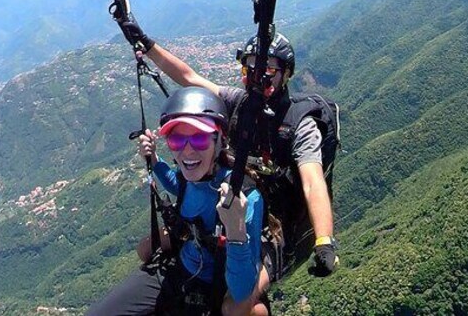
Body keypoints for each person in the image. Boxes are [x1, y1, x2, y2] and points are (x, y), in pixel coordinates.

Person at [117, 18, 339, 280]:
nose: (257, 78)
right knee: (146, 249)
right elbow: (189, 78)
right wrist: (146, 43)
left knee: (237, 304)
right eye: (250, 70)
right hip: (227, 201)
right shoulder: (239, 103)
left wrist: (324, 240)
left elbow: (313, 182)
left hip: (272, 224)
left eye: (267, 70)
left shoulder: (300, 125)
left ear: (286, 74)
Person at [87, 87, 271, 316]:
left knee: (243, 310)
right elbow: (177, 184)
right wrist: (154, 159)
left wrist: (236, 231)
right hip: (182, 268)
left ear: (220, 140)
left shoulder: (244, 198)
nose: (187, 151)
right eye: (176, 139)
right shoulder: (190, 178)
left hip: (219, 282)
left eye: (199, 138)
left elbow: (241, 290)